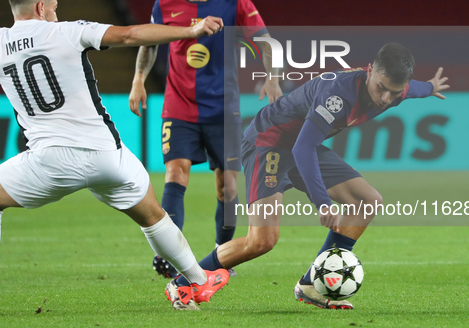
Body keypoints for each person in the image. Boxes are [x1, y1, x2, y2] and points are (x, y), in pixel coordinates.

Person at [0, 0, 229, 316]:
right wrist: (189, 29)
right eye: (53, 7)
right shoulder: (66, 32)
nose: (56, 13)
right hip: (105, 155)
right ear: (40, 9)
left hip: (48, 161)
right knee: (150, 211)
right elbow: (130, 34)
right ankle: (196, 279)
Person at [169, 43, 449, 309]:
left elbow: (414, 89)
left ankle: (312, 284)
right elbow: (304, 148)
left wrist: (431, 87)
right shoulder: (338, 96)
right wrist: (323, 202)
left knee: (367, 201)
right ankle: (183, 283)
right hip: (269, 143)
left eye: (394, 92)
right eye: (382, 88)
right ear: (369, 70)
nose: (386, 98)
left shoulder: (396, 91)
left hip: (303, 143)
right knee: (261, 241)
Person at [128, 0, 281, 280]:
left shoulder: (235, 0)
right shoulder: (165, 2)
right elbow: (149, 43)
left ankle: (220, 256)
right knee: (175, 172)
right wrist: (138, 79)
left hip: (223, 110)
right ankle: (169, 255)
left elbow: (265, 39)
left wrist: (271, 76)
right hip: (178, 106)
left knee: (227, 186)